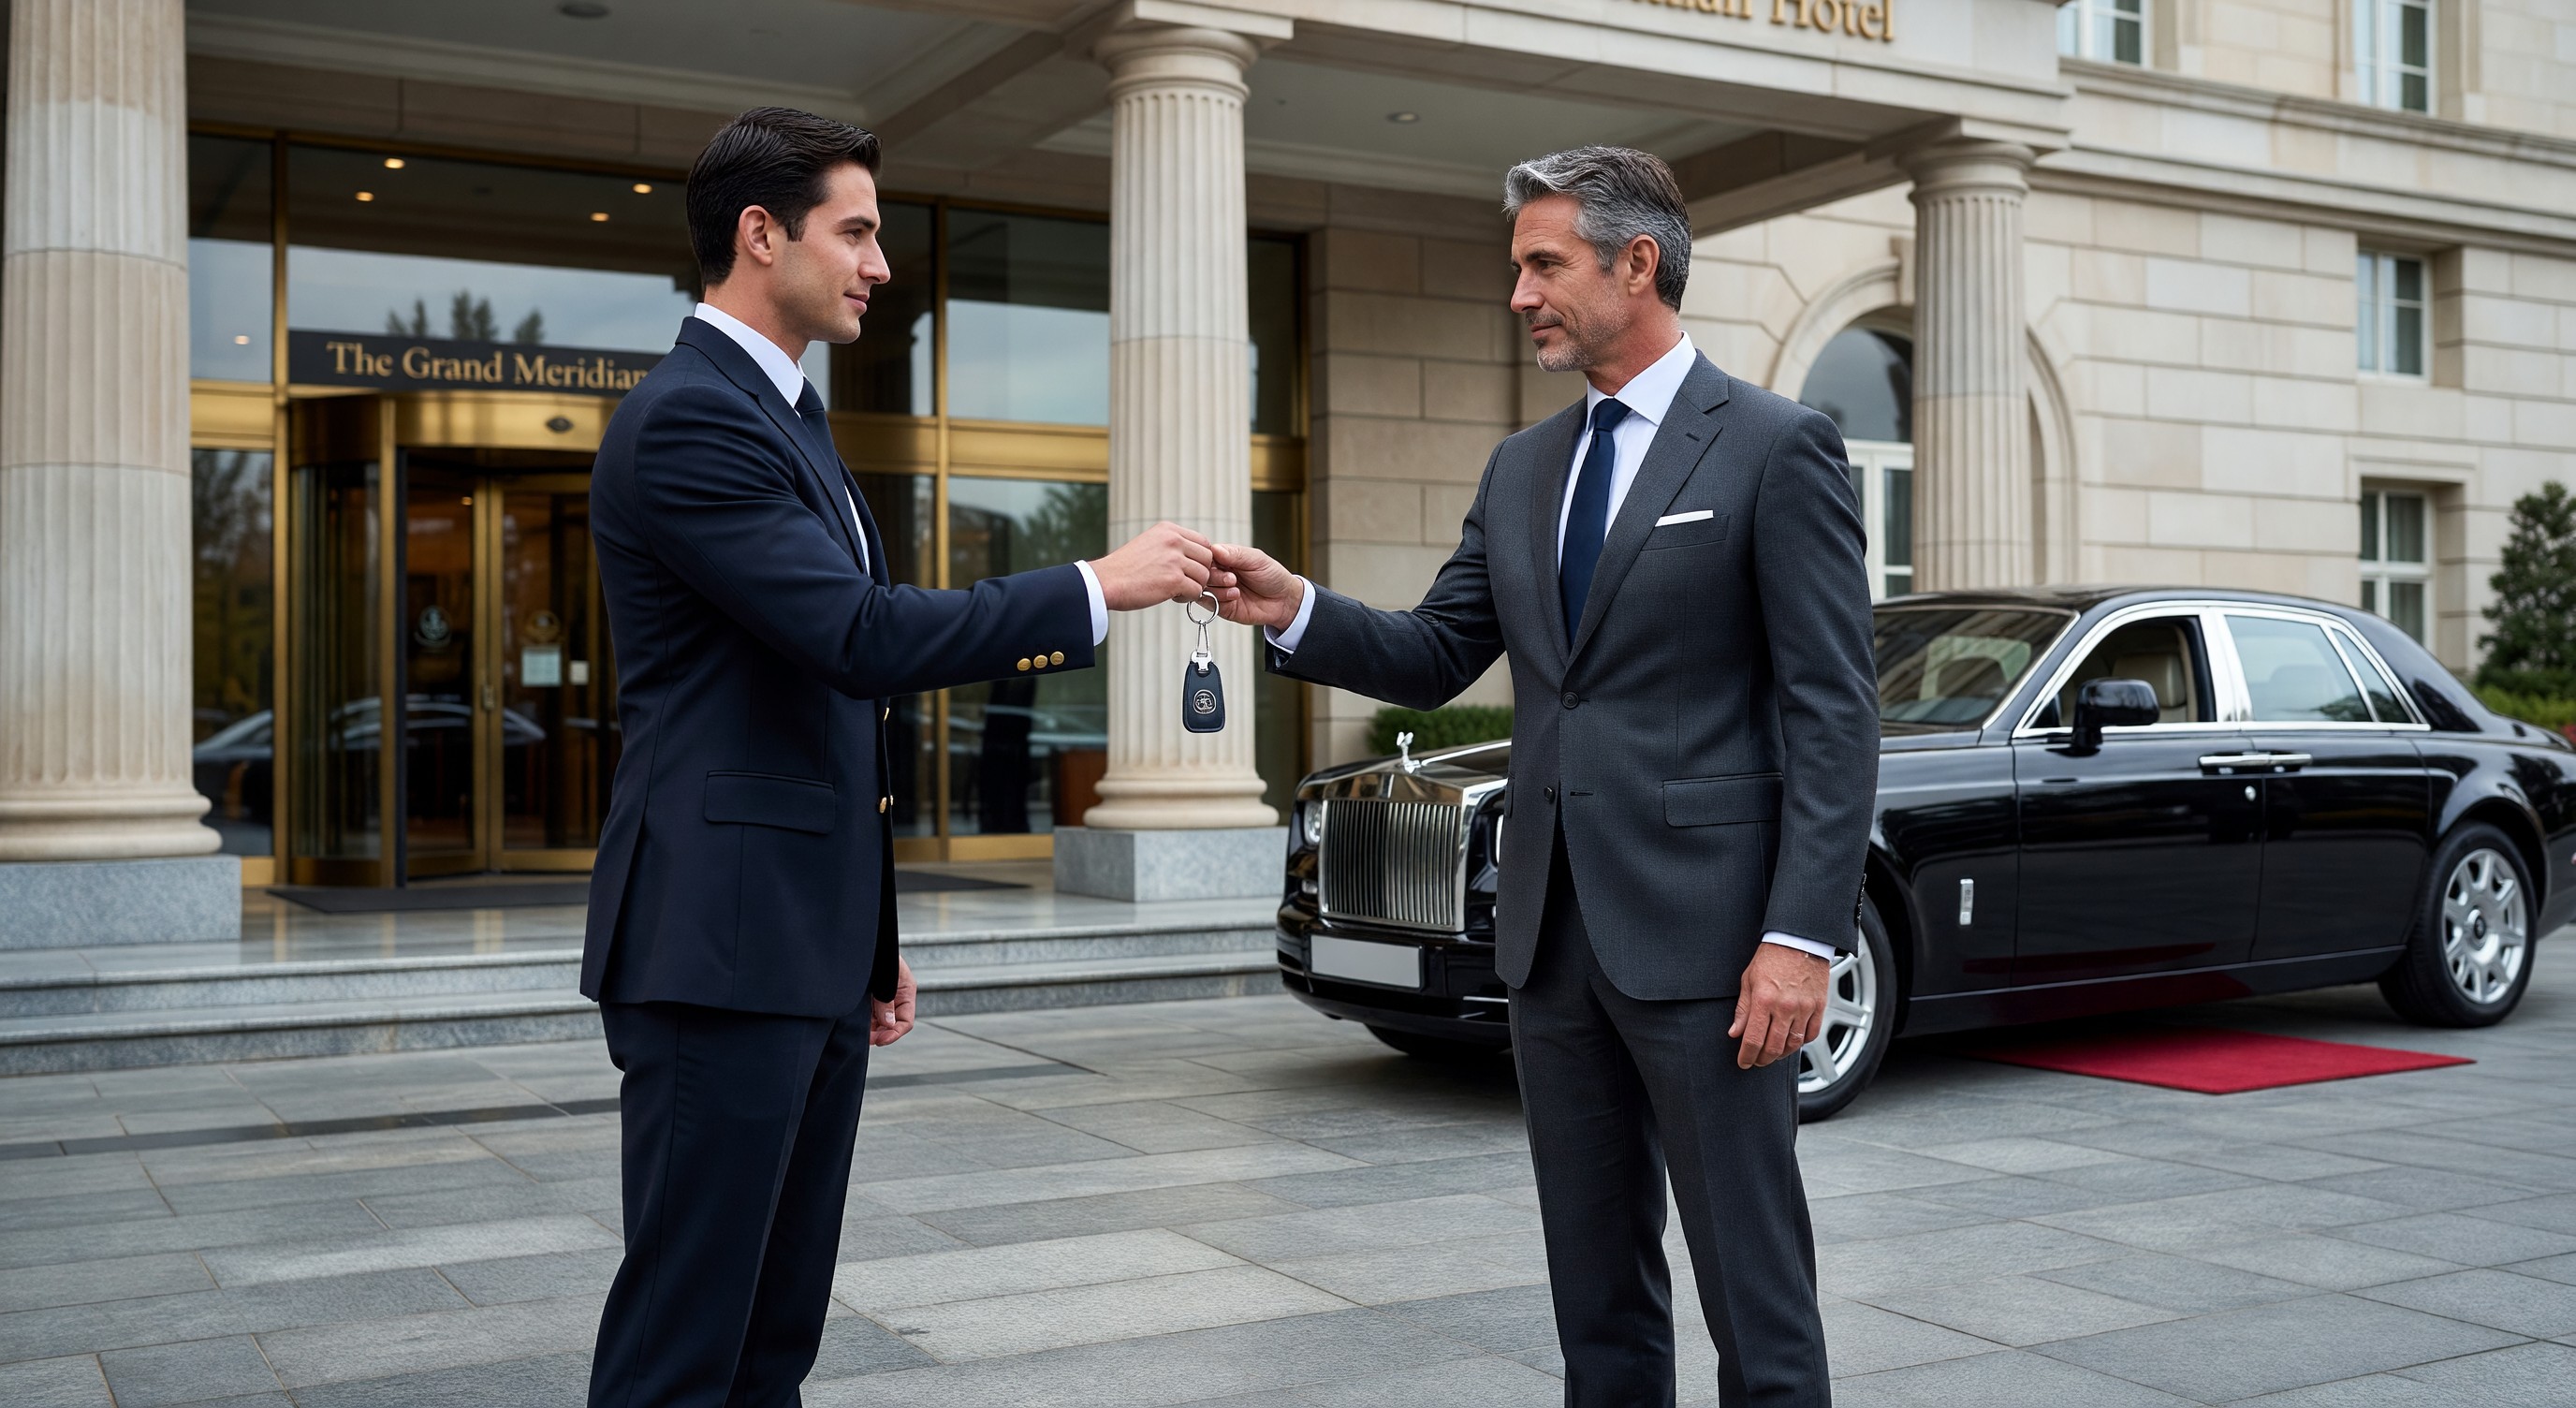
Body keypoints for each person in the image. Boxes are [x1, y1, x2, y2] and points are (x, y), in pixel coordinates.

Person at [1209, 146, 1876, 1408]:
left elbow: (1835, 715)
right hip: (1550, 946)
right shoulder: (1523, 469)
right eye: (1518, 268)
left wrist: (1802, 936)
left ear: (1638, 263)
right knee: (1596, 1300)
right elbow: (1431, 652)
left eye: (1542, 265)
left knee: (1756, 1298)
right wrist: (1293, 606)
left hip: (1714, 944)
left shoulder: (1777, 449)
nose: (1519, 294)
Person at [579, 107, 1213, 1407]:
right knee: (685, 1353)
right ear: (762, 235)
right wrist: (1097, 585)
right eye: (855, 231)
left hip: (791, 948)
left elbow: (813, 707)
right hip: (716, 956)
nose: (879, 264)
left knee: (771, 1343)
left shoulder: (787, 418)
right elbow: (859, 639)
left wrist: (864, 936)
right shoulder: (692, 420)